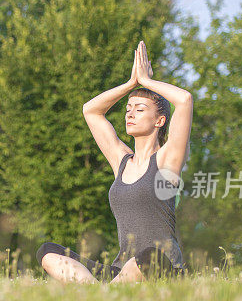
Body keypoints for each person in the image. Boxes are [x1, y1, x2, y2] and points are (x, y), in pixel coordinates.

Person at [36, 40, 192, 284]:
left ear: (160, 121)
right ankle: (101, 292)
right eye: (128, 109)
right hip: (121, 272)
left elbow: (184, 100)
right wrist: (131, 84)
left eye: (139, 109)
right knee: (49, 252)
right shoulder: (121, 161)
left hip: (160, 266)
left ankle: (104, 294)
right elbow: (91, 111)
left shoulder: (167, 159)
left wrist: (147, 82)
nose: (129, 113)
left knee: (145, 257)